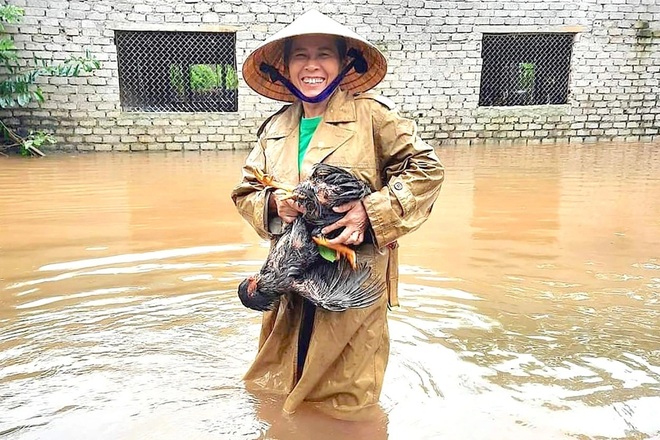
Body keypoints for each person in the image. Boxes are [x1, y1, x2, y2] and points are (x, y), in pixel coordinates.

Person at [231, 9, 444, 421]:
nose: (312, 66)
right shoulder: (275, 128)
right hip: (289, 278)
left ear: (345, 62)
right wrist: (275, 204)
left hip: (353, 277)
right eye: (300, 56)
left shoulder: (373, 116)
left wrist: (370, 210)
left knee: (347, 397)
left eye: (324, 54)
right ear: (286, 67)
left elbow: (427, 170)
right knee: (277, 383)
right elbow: (246, 191)